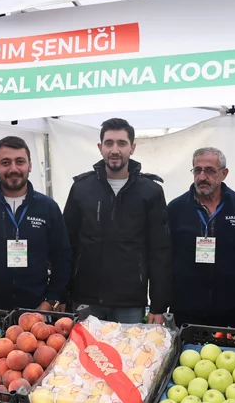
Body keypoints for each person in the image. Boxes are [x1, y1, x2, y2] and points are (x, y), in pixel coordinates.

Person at [63, 118, 171, 323]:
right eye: (109, 143)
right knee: (84, 345)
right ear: (100, 147)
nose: (115, 150)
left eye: (122, 143)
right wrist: (61, 294)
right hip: (86, 298)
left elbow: (160, 251)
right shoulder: (81, 188)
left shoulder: (151, 191)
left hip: (129, 301)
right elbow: (67, 244)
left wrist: (158, 305)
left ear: (132, 148)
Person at [0, 136, 71, 311]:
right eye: (5, 163)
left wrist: (51, 301)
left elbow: (63, 259)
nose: (13, 169)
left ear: (30, 165)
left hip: (37, 311)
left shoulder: (48, 207)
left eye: (20, 162)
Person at [167, 147, 235, 328]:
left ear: (224, 173)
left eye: (209, 170)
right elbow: (164, 259)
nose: (202, 177)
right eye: (197, 170)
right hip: (186, 310)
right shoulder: (176, 208)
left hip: (232, 310)